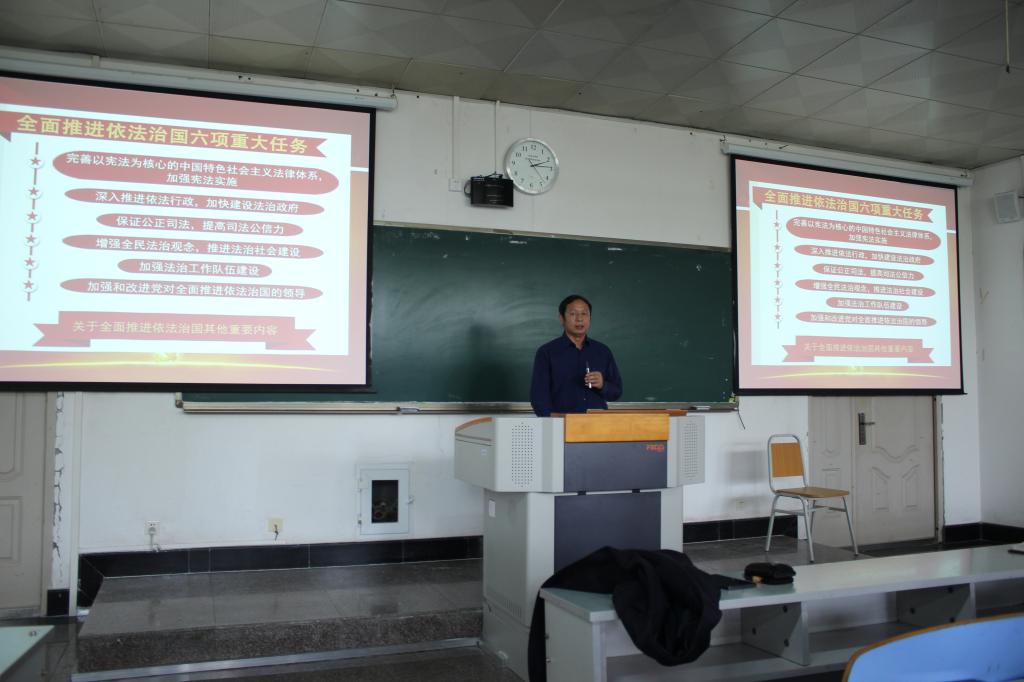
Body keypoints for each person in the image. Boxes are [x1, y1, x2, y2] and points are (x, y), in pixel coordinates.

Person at [530, 294, 622, 416]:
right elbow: (539, 400)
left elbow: (616, 392)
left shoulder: (603, 351)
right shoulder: (547, 352)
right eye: (573, 314)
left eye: (584, 314)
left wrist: (602, 385)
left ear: (590, 318)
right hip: (561, 424)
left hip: (597, 423)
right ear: (562, 318)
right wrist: (564, 420)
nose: (579, 319)